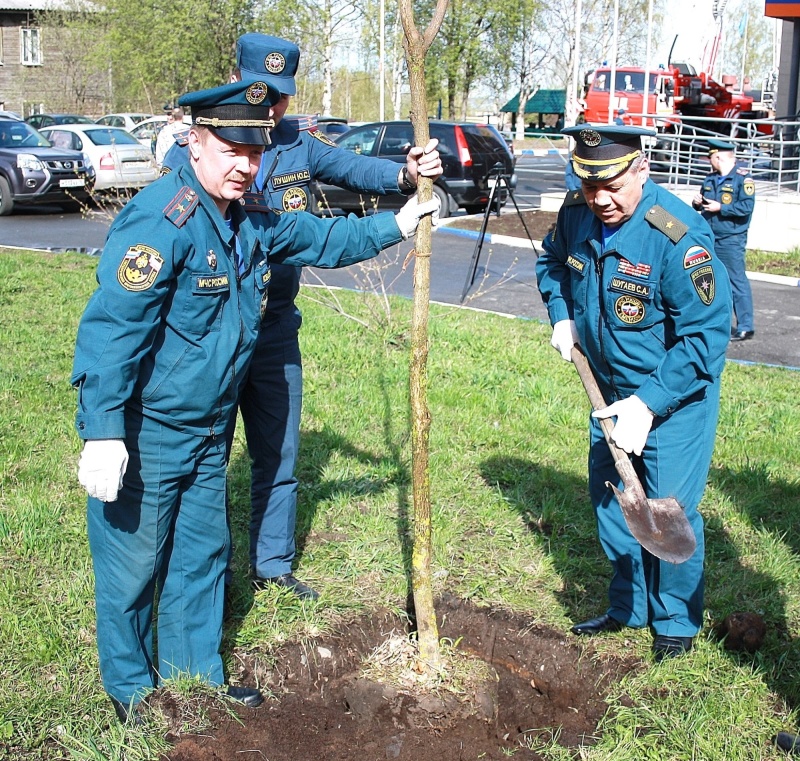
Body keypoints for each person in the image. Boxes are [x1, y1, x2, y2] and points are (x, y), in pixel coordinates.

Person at [72, 77, 437, 724]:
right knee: (133, 569)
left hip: (209, 429)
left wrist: (399, 221)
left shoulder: (247, 217)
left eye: (257, 151)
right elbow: (113, 329)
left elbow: (322, 240)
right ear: (196, 141)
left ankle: (196, 679)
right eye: (231, 149)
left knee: (202, 556)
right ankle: (131, 695)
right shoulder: (166, 218)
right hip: (149, 429)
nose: (247, 165)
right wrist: (103, 430)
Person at [168, 34, 443, 601]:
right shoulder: (201, 146)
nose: (270, 110)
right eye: (261, 93)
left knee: (278, 451)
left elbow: (355, 170)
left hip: (273, 326)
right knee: (207, 458)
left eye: (281, 98)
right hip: (213, 328)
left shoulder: (297, 141)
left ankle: (272, 564)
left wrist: (408, 174)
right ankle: (204, 575)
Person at [536, 124, 732, 661]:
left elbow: (706, 338)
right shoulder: (577, 214)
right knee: (611, 500)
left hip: (674, 400)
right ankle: (629, 605)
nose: (600, 199)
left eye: (613, 186)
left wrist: (648, 404)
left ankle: (675, 622)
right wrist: (562, 317)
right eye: (588, 185)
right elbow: (552, 264)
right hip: (607, 393)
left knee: (668, 510)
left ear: (642, 169)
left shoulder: (675, 235)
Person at [692, 138, 756, 341]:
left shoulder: (743, 180)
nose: (709, 161)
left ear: (718, 156)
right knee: (709, 280)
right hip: (709, 236)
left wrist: (722, 208)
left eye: (711, 157)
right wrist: (697, 203)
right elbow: (702, 205)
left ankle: (745, 326)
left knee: (736, 282)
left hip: (730, 239)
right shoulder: (710, 179)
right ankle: (714, 323)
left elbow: (746, 208)